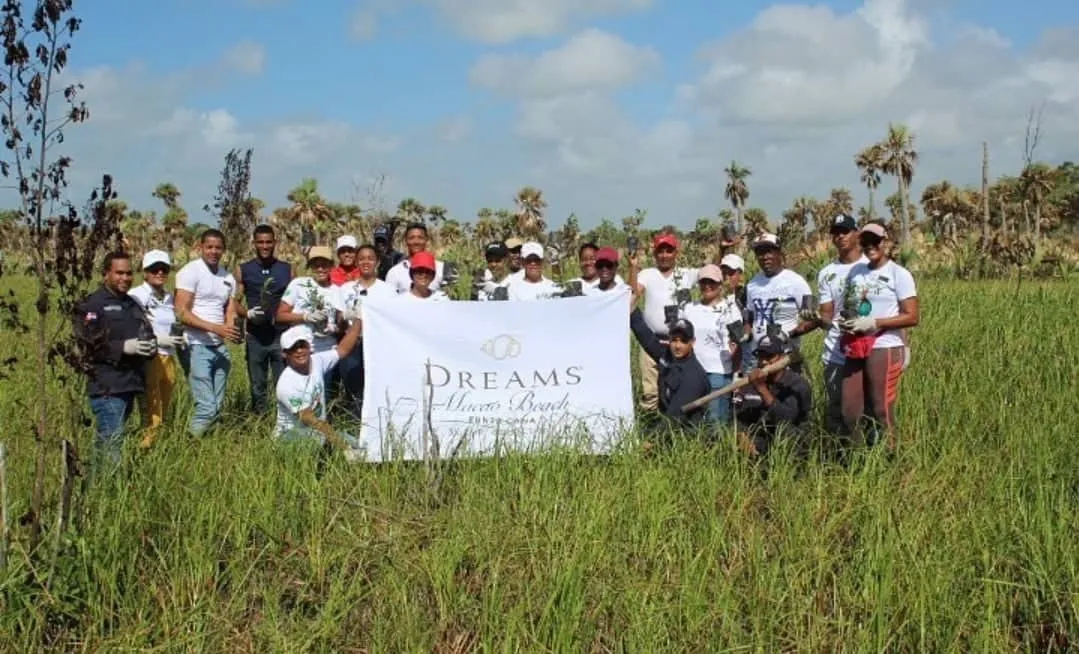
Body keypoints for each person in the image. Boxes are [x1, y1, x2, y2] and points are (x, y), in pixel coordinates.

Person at [838, 222, 919, 448]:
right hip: (856, 345)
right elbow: (851, 304)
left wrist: (874, 322)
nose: (870, 246)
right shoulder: (856, 272)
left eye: (876, 241)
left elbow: (912, 316)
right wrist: (849, 321)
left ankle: (892, 463)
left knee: (881, 409)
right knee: (850, 411)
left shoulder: (899, 274)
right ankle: (858, 462)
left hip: (885, 344)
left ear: (886, 242)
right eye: (865, 242)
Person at [74, 251, 158, 463]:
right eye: (119, 273)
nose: (125, 278)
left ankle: (100, 488)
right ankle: (103, 491)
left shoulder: (133, 303)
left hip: (132, 383)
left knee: (111, 443)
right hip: (107, 386)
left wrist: (152, 345)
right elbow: (87, 345)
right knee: (111, 446)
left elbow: (145, 333)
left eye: (129, 273)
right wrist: (122, 347)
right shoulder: (92, 305)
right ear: (106, 274)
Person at [799, 214, 866, 435]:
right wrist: (815, 318)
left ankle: (874, 455)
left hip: (868, 350)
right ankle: (840, 457)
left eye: (845, 231)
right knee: (837, 410)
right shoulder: (827, 273)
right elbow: (828, 316)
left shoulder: (871, 266)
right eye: (836, 233)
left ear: (856, 233)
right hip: (836, 352)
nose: (840, 237)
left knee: (869, 410)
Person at [175, 229, 240, 437]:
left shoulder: (228, 277)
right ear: (200, 247)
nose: (213, 251)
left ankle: (209, 442)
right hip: (196, 345)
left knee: (217, 405)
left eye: (218, 247)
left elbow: (229, 308)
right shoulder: (190, 272)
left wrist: (230, 328)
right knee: (206, 406)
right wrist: (215, 328)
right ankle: (190, 445)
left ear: (224, 250)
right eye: (209, 247)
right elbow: (181, 313)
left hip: (220, 347)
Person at [275, 321, 365, 460]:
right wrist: (343, 447)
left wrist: (358, 320)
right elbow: (309, 419)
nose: (299, 351)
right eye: (293, 348)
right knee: (321, 439)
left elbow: (342, 350)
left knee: (359, 443)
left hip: (315, 430)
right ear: (284, 354)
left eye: (302, 345)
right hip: (290, 435)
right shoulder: (287, 383)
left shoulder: (316, 361)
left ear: (309, 347)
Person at [128, 250, 187, 447]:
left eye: (164, 269)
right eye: (154, 269)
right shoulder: (136, 295)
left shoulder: (170, 298)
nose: (159, 273)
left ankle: (157, 444)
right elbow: (133, 327)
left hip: (169, 358)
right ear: (145, 272)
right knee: (152, 410)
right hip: (149, 357)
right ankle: (145, 449)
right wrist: (159, 339)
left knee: (164, 407)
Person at [634, 233, 699, 411]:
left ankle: (673, 427)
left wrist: (724, 249)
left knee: (676, 387)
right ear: (654, 254)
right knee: (650, 391)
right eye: (660, 251)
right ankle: (650, 427)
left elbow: (711, 273)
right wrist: (633, 268)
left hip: (678, 342)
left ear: (675, 253)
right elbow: (633, 293)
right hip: (651, 341)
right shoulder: (647, 274)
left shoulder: (686, 274)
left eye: (668, 251)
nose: (664, 255)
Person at [233, 225, 293, 414]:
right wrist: (246, 313)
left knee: (283, 384)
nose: (265, 246)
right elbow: (233, 302)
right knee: (257, 386)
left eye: (268, 242)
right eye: (261, 242)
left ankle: (282, 421)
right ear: (254, 243)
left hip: (281, 336)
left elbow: (295, 301)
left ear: (275, 242)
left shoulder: (287, 269)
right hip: (256, 337)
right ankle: (259, 420)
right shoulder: (244, 269)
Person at [335, 244, 397, 418]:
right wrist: (347, 316)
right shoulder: (346, 288)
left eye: (370, 258)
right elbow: (339, 319)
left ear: (377, 262)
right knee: (353, 390)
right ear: (356, 261)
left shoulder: (388, 290)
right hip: (352, 345)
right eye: (361, 258)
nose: (366, 262)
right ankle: (353, 426)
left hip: (378, 346)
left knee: (376, 387)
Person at [276, 246, 345, 393]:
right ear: (310, 266)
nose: (320, 269)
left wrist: (333, 328)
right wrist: (305, 317)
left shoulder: (336, 291)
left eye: (324, 265)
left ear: (331, 266)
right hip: (300, 351)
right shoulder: (299, 284)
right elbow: (280, 315)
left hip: (325, 352)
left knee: (322, 395)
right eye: (316, 265)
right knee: (300, 394)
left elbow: (341, 325)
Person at [732, 332, 813, 458]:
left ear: (781, 358)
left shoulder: (797, 385)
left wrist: (761, 388)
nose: (764, 362)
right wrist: (741, 436)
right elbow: (737, 416)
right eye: (761, 356)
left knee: (788, 433)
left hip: (788, 443)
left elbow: (786, 419)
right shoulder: (750, 382)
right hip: (759, 441)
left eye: (769, 357)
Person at [680, 263, 743, 423]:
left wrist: (736, 374)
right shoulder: (689, 308)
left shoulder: (730, 308)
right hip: (693, 371)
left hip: (719, 372)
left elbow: (738, 343)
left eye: (712, 282)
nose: (707, 286)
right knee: (694, 419)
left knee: (716, 420)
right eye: (703, 282)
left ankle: (719, 446)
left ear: (720, 284)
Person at [744, 232, 813, 373]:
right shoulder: (752, 284)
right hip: (758, 357)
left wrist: (789, 334)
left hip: (785, 356)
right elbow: (749, 315)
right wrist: (746, 332)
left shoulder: (796, 281)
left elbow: (813, 319)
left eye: (769, 252)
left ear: (779, 253)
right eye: (760, 253)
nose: (765, 257)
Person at [629, 309, 710, 427]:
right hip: (667, 424)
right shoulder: (668, 356)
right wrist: (632, 310)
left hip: (685, 433)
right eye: (674, 340)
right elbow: (647, 338)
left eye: (683, 341)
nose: (677, 346)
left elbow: (674, 417)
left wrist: (651, 440)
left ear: (692, 342)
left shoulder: (693, 377)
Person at [385, 223, 446, 293]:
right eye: (411, 238)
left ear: (426, 239)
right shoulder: (395, 272)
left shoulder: (441, 268)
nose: (416, 242)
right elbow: (389, 301)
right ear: (406, 240)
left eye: (420, 237)